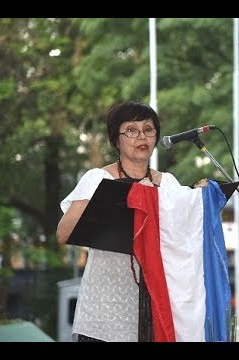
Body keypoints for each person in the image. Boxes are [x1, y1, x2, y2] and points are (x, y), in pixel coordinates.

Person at [56, 101, 181, 342]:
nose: (141, 136)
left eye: (148, 129)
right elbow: (63, 234)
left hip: (154, 307)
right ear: (116, 140)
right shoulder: (98, 179)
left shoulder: (168, 184)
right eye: (131, 130)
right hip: (104, 313)